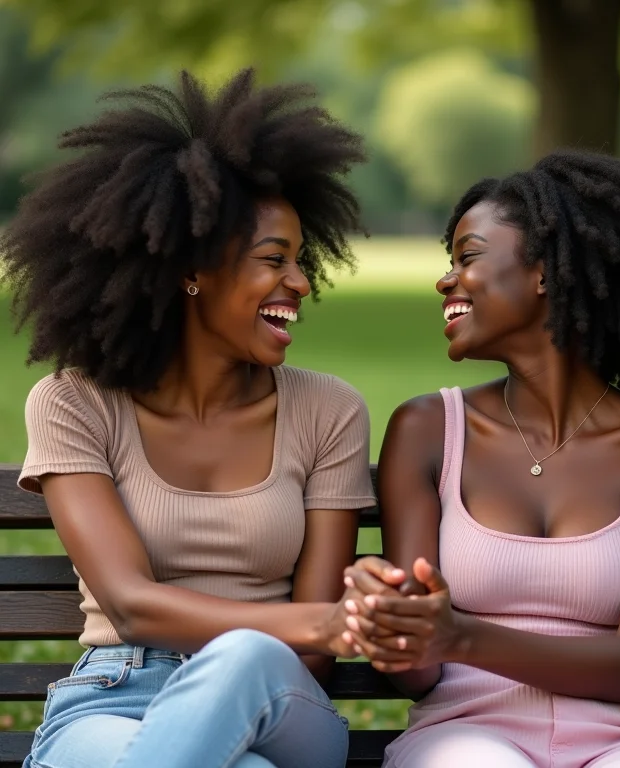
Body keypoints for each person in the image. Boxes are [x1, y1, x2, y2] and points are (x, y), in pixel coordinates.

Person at [1, 69, 374, 768]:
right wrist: (324, 622)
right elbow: (130, 606)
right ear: (191, 270)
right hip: (114, 697)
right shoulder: (74, 402)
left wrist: (304, 631)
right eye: (275, 259)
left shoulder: (328, 411)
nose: (301, 282)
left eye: (300, 260)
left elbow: (313, 656)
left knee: (243, 656)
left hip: (280, 696)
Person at [341, 150, 620, 768]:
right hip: (465, 732)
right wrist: (396, 625)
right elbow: (417, 672)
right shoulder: (427, 429)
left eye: (468, 257)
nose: (446, 280)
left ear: (545, 272)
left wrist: (460, 635)